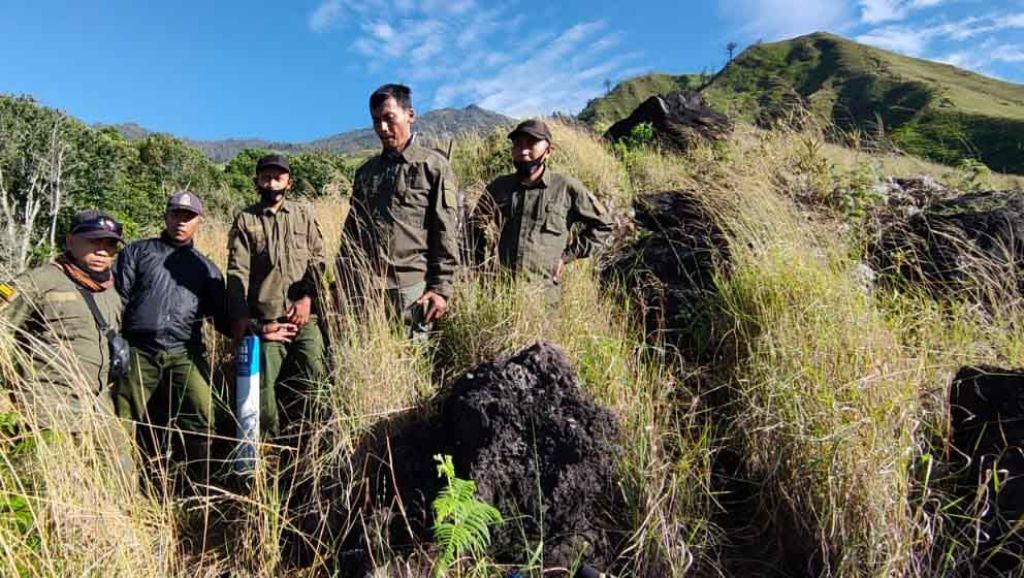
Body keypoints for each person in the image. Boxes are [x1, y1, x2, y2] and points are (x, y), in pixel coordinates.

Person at [1, 210, 132, 469]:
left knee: (121, 471)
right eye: (94, 241)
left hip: (98, 405)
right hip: (49, 405)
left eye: (110, 245)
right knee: (46, 476)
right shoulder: (40, 281)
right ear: (71, 241)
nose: (102, 251)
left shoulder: (110, 288)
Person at [114, 191, 229, 486]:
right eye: (176, 214)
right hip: (139, 350)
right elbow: (117, 301)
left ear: (198, 222)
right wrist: (114, 341)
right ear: (166, 216)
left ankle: (195, 486)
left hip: (184, 352)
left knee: (202, 414)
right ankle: (127, 486)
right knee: (124, 419)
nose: (181, 222)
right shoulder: (137, 253)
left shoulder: (206, 268)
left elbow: (221, 317)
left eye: (188, 217)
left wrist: (256, 328)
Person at [337, 84, 460, 338]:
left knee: (412, 366)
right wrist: (342, 282)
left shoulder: (433, 166)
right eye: (375, 121)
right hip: (366, 291)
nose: (382, 128)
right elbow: (351, 233)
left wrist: (440, 288)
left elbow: (445, 232)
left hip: (412, 289)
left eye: (388, 119)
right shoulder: (366, 172)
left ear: (410, 115)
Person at [226, 154, 327, 440]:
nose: (272, 183)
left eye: (278, 178)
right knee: (262, 390)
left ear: (288, 183)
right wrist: (246, 321)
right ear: (257, 181)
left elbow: (318, 260)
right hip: (267, 322)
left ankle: (315, 439)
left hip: (305, 318)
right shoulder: (246, 220)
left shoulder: (303, 215)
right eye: (266, 177)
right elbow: (237, 272)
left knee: (315, 375)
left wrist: (306, 297)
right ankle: (271, 448)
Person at [470, 119, 613, 298]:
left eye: (531, 144)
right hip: (501, 295)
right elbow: (474, 226)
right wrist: (479, 264)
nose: (523, 151)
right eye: (517, 144)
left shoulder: (566, 188)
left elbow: (604, 225)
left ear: (548, 151)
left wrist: (566, 256)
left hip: (544, 296)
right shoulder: (499, 187)